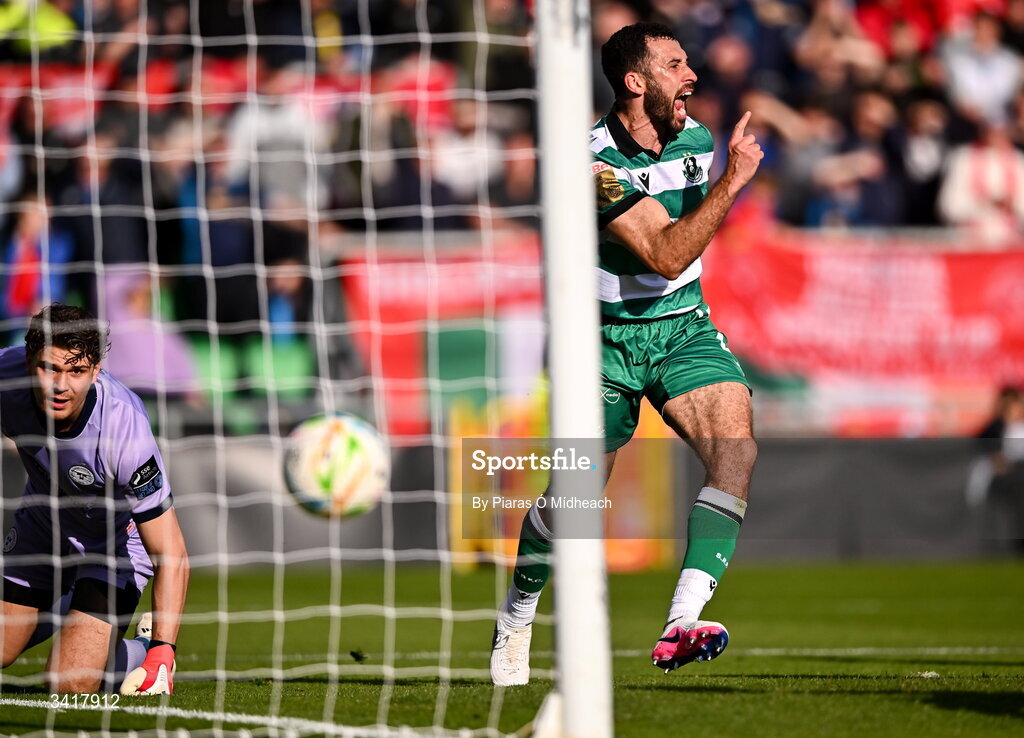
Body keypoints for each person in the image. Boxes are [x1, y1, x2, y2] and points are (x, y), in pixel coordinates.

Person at [490, 22, 763, 686]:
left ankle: (680, 624)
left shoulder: (695, 139)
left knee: (736, 449)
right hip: (600, 339)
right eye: (676, 64)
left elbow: (682, 261)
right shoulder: (592, 165)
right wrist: (734, 182)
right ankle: (518, 615)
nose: (692, 73)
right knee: (577, 498)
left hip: (681, 329)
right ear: (635, 81)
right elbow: (667, 250)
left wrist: (719, 179)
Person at [0, 304, 189, 694]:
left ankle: (134, 647)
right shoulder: (6, 376)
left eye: (76, 371)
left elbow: (172, 553)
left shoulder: (124, 427)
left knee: (67, 685)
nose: (61, 386)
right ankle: (62, 606)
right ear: (27, 360)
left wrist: (161, 653)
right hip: (42, 524)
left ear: (96, 370)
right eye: (49, 368)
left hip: (114, 547)